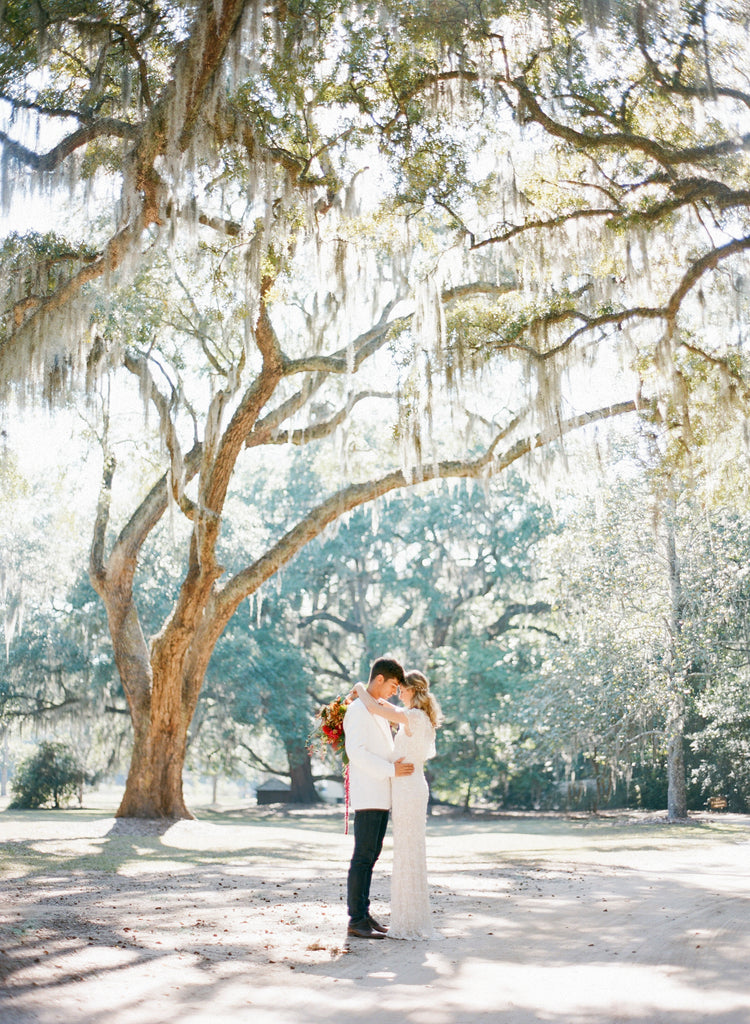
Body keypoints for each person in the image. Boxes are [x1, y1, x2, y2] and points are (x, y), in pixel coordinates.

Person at [354, 668, 443, 940]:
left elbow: (377, 707)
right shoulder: (419, 716)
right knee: (409, 850)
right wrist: (379, 700)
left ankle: (408, 921)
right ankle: (410, 917)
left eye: (401, 689)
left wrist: (359, 688)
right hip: (412, 786)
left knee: (407, 852)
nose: (398, 693)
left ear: (413, 690)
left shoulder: (412, 716)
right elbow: (386, 706)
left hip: (408, 789)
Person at [343, 655, 414, 940]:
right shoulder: (357, 711)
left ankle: (364, 912)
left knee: (371, 856)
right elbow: (357, 753)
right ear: (380, 679)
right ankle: (355, 918)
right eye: (393, 686)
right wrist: (391, 770)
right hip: (369, 792)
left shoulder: (378, 711)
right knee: (362, 857)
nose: (394, 693)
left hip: (383, 793)